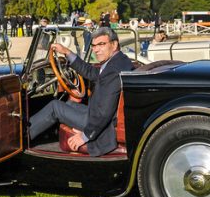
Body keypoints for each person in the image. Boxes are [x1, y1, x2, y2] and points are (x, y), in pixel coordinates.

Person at [28, 27, 134, 156]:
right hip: (97, 114)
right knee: (70, 104)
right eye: (94, 45)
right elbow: (92, 73)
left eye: (101, 44)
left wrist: (84, 136)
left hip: (101, 123)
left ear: (114, 44)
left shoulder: (112, 70)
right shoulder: (119, 60)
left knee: (54, 106)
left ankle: (21, 138)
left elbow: (104, 112)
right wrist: (67, 52)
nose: (96, 50)